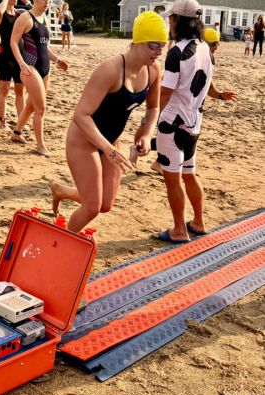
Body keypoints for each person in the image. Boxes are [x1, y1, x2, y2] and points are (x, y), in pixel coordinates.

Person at [50, 11, 168, 233]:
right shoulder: (111, 70)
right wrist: (108, 149)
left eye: (162, 46)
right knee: (92, 207)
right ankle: (63, 244)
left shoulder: (153, 71)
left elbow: (153, 108)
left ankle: (62, 192)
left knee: (105, 204)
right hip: (84, 140)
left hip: (112, 141)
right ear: (138, 41)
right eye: (154, 45)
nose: (159, 52)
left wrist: (146, 135)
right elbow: (81, 115)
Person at [134, 26, 237, 175]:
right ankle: (136, 153)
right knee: (148, 127)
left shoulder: (207, 58)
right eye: (214, 43)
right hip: (170, 106)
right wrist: (155, 110)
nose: (217, 47)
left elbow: (207, 86)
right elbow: (168, 84)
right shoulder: (187, 54)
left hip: (188, 112)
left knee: (178, 140)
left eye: (217, 44)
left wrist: (221, 95)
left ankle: (158, 162)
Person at [151, 0, 214, 243]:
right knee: (190, 173)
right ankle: (198, 222)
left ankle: (179, 229)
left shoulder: (177, 52)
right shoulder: (205, 48)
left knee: (173, 178)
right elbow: (207, 82)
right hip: (194, 122)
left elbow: (165, 93)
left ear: (178, 20)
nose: (169, 22)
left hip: (173, 124)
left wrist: (149, 120)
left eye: (171, 18)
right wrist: (217, 94)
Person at [10, 0, 68, 155]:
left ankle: (16, 133)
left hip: (45, 69)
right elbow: (13, 42)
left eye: (49, 0)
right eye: (44, 0)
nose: (47, 2)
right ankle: (40, 145)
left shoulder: (45, 19)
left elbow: (44, 46)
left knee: (30, 106)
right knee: (40, 108)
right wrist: (22, 64)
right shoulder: (25, 18)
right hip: (29, 68)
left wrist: (56, 60)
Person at [0, 0, 31, 129]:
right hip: (5, 57)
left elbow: (36, 16)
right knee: (4, 89)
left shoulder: (21, 14)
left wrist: (27, 2)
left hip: (20, 57)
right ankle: (2, 121)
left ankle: (21, 121)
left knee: (20, 90)